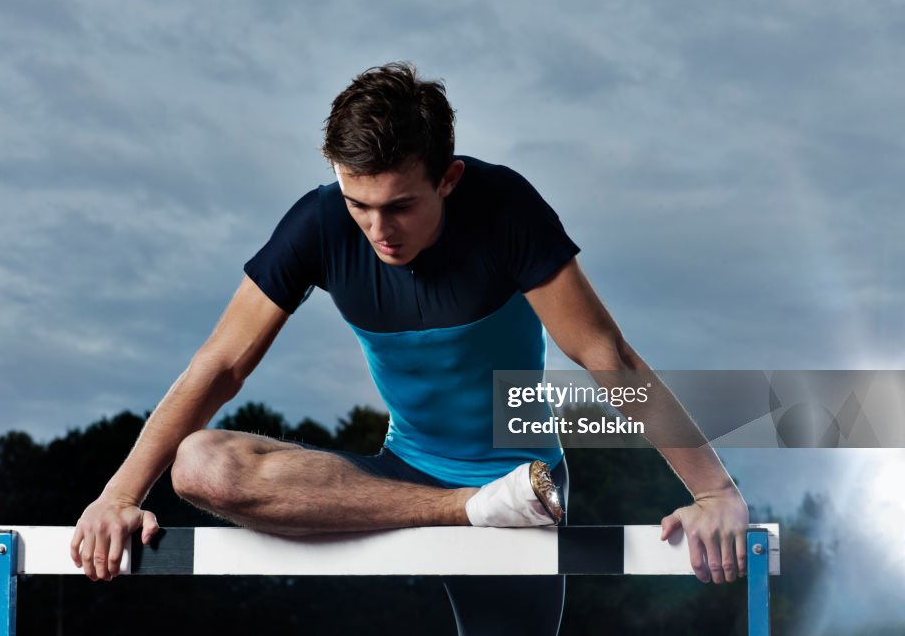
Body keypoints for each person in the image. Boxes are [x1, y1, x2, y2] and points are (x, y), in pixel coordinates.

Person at [71, 62, 749, 634]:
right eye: (357, 203)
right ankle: (466, 512)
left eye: (398, 206)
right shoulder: (319, 224)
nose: (377, 230)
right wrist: (118, 494)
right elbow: (219, 366)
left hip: (521, 485)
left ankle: (487, 507)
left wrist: (715, 489)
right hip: (403, 482)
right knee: (201, 465)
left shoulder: (505, 209)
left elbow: (608, 357)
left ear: (448, 179)